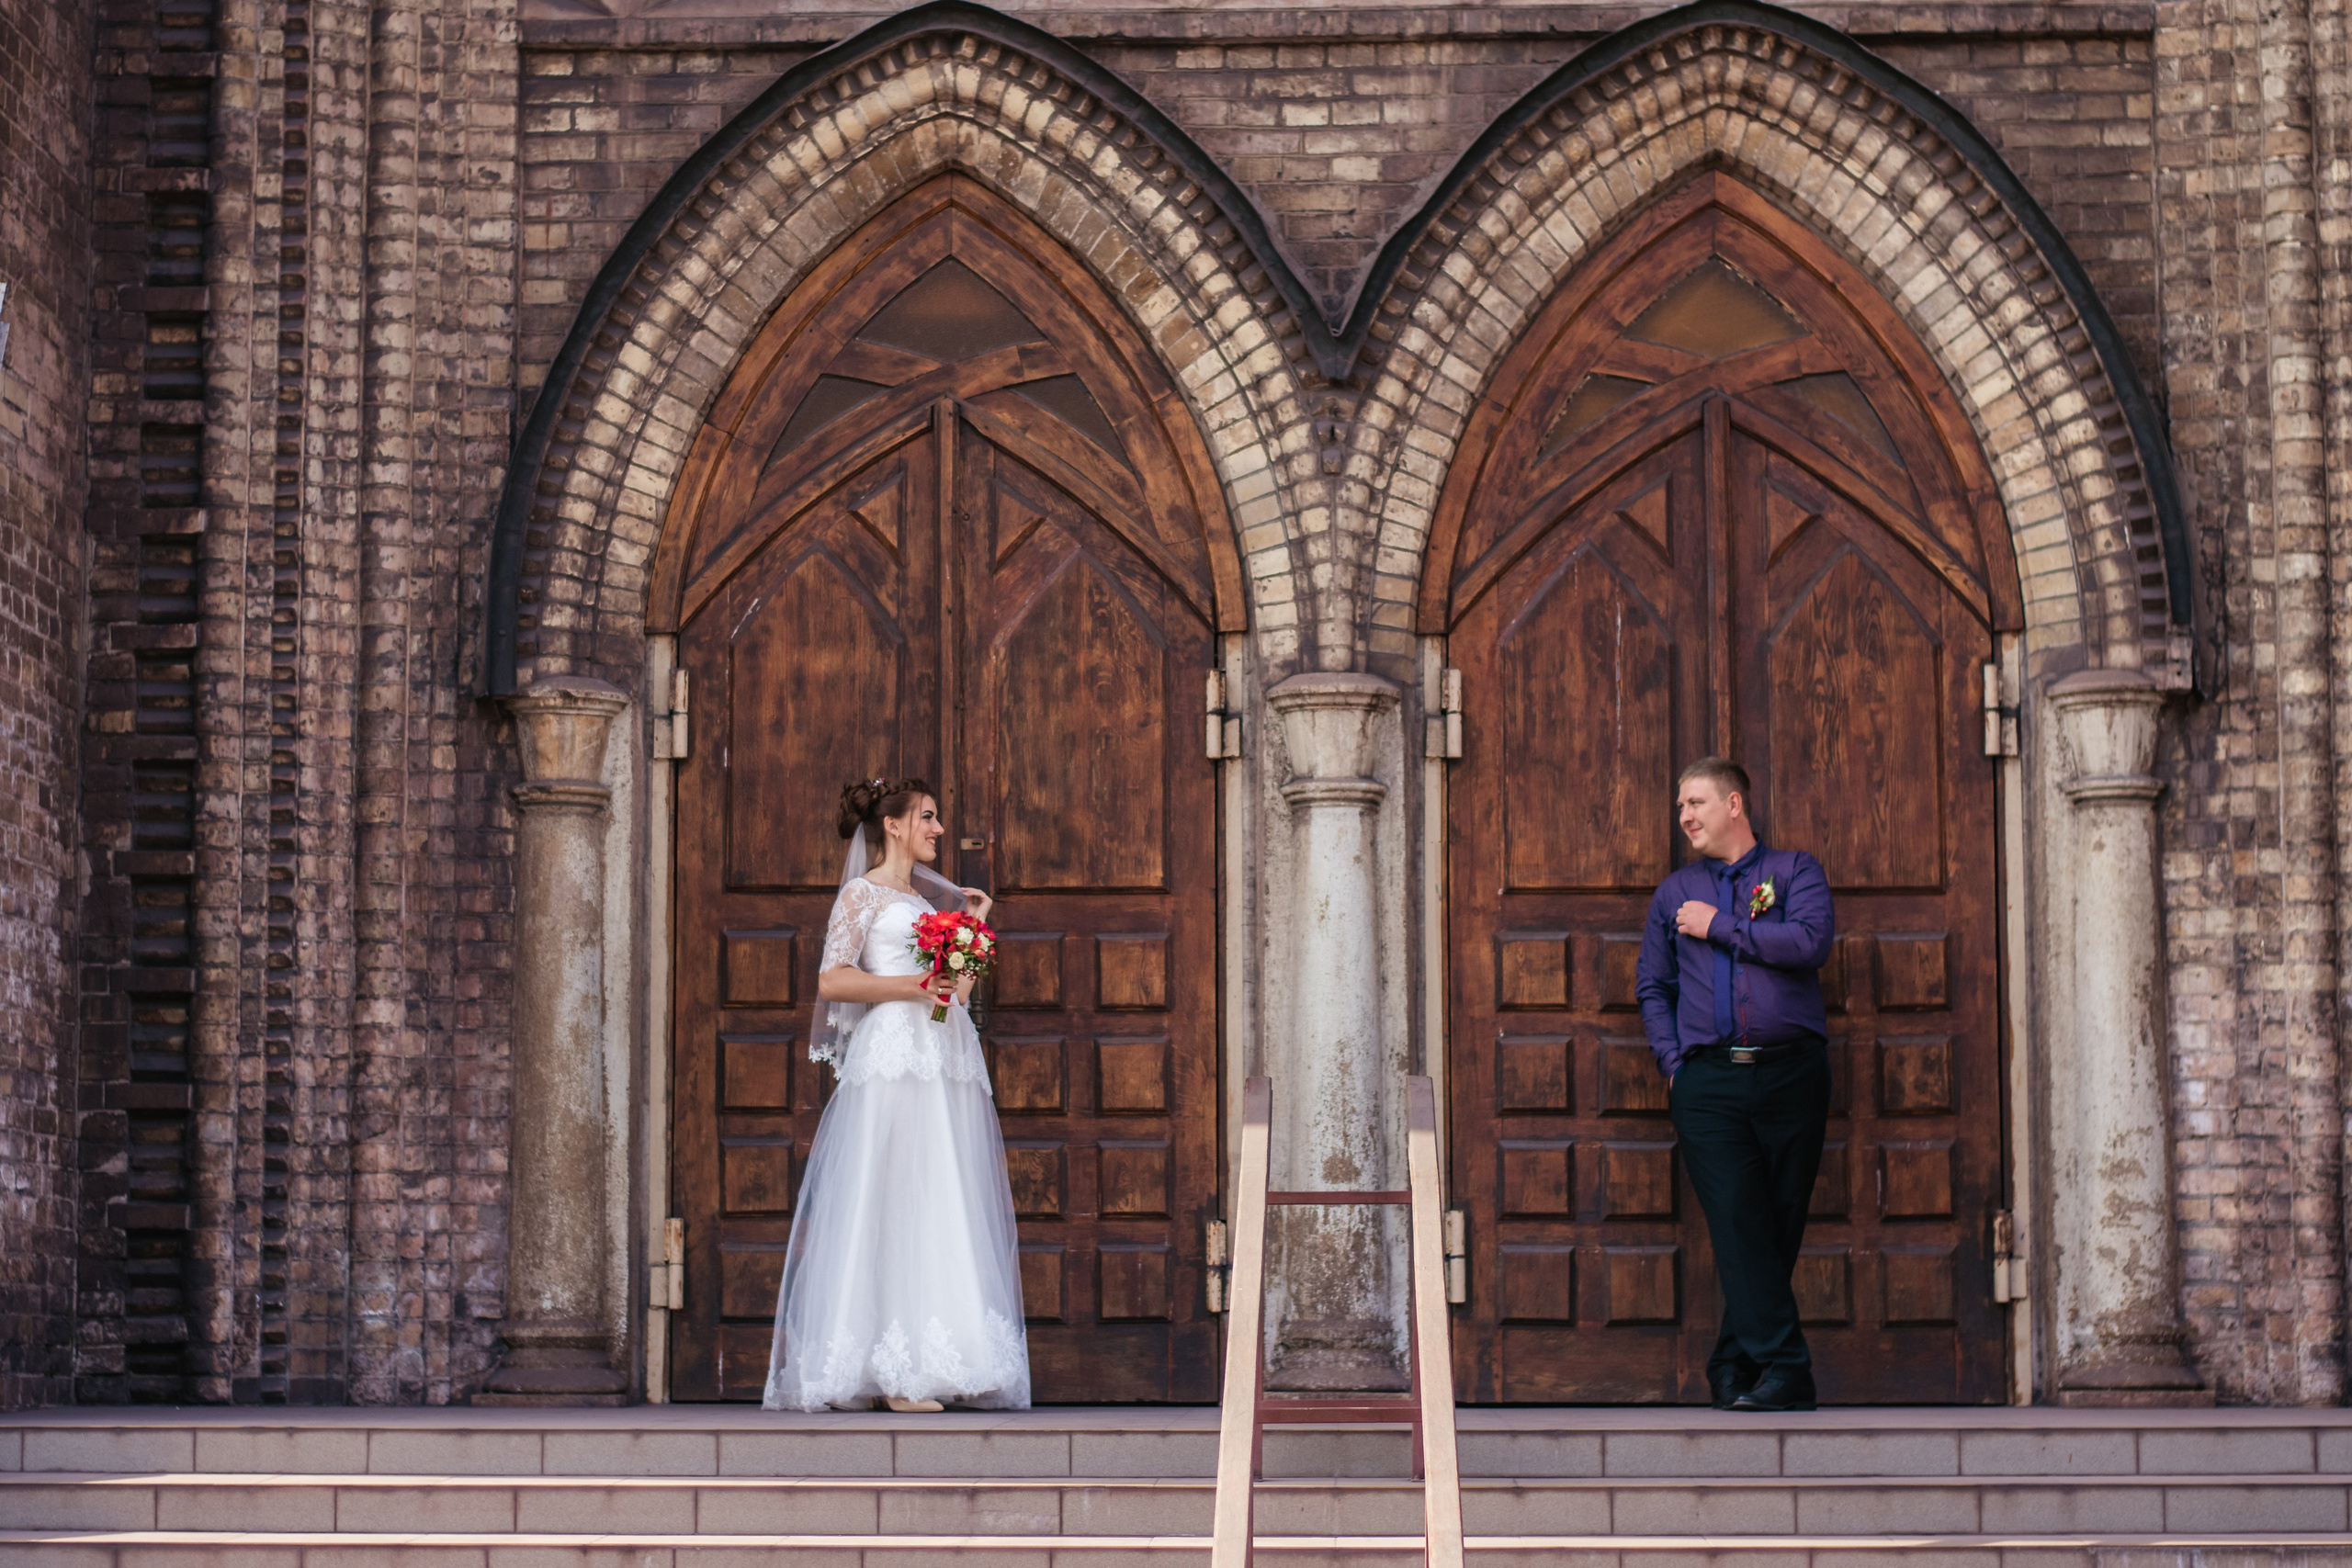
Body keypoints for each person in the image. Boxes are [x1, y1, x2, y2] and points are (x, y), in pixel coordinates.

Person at [763, 777, 1031, 1413]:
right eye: (929, 817)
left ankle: (931, 1357)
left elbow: (955, 995)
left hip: (939, 1055)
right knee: (890, 1197)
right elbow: (833, 977)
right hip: (892, 1059)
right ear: (893, 825)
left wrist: (972, 927)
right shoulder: (863, 894)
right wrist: (913, 985)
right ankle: (893, 1371)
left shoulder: (924, 901)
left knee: (937, 1193)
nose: (939, 829)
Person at [1634, 757, 1835, 1413]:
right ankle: (1787, 1369)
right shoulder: (1674, 892)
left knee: (1776, 1222)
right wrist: (1673, 1063)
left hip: (1793, 1074)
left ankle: (1732, 1360)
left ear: (1734, 805)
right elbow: (1653, 985)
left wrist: (1720, 925)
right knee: (1737, 1217)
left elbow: (1809, 943)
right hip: (1709, 1083)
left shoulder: (1795, 872)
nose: (1685, 815)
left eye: (1695, 802)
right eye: (1680, 805)